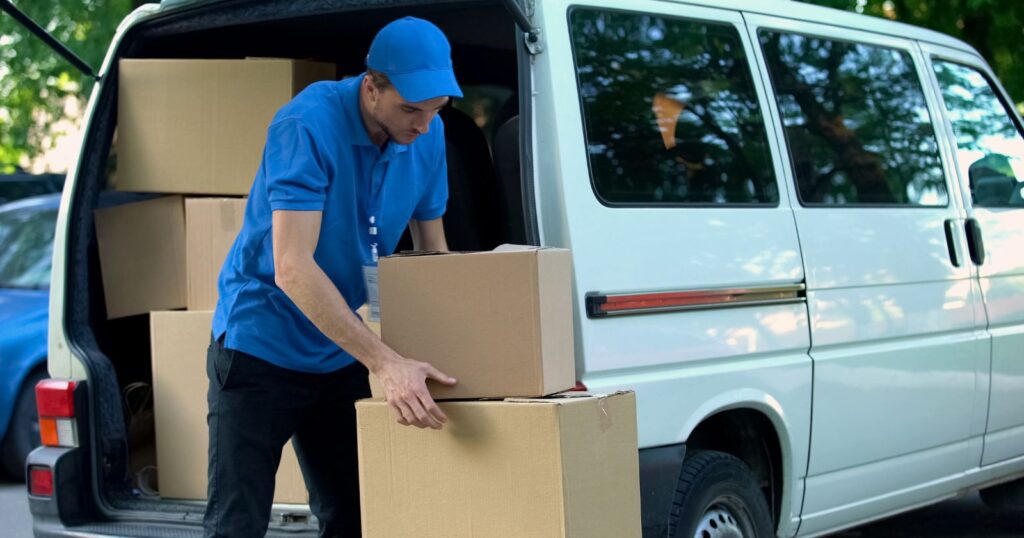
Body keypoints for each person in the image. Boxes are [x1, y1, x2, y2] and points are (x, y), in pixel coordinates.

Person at [204, 16, 461, 538]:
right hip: (261, 343)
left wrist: (436, 356)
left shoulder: (428, 136)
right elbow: (293, 267)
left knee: (357, 517)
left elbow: (431, 251)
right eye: (410, 108)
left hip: (339, 345)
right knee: (236, 525)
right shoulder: (306, 125)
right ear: (372, 88)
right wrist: (386, 363)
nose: (423, 125)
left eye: (436, 110)